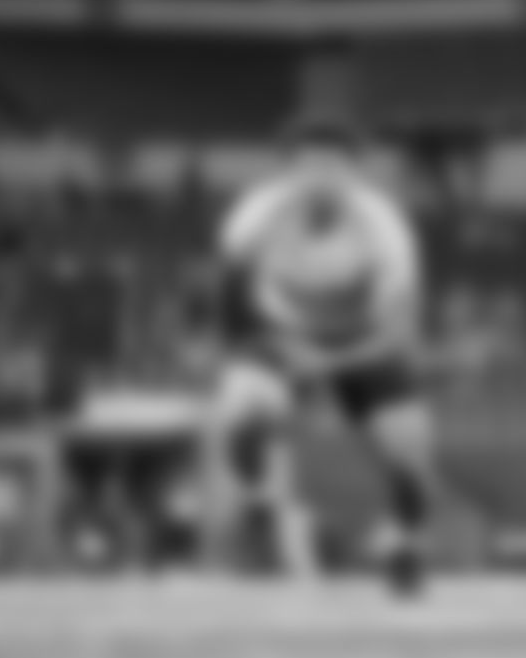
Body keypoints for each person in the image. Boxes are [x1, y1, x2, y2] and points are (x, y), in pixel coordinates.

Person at [186, 124, 439, 596]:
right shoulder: (255, 216)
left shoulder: (385, 227)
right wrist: (234, 354)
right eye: (308, 165)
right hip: (280, 334)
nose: (320, 177)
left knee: (412, 460)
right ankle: (259, 500)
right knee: (240, 410)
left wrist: (328, 363)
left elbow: (400, 330)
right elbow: (225, 294)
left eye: (333, 166)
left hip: (363, 340)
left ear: (354, 175)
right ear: (290, 172)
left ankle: (401, 542)